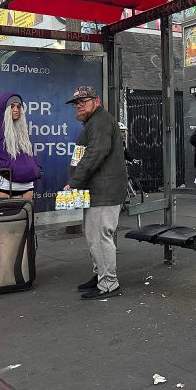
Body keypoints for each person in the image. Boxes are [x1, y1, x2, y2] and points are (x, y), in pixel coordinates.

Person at [65, 86, 127, 300]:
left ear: (97, 101)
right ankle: (100, 275)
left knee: (101, 237)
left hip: (104, 191)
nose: (79, 105)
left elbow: (95, 153)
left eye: (84, 101)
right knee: (94, 236)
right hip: (98, 190)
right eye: (77, 102)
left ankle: (109, 283)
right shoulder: (94, 122)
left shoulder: (100, 121)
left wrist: (74, 181)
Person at [0, 93, 41, 201]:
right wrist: (8, 167)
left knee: (22, 218)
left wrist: (34, 167)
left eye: (19, 107)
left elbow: (27, 154)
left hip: (26, 187)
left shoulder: (22, 132)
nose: (16, 110)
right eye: (12, 106)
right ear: (3, 109)